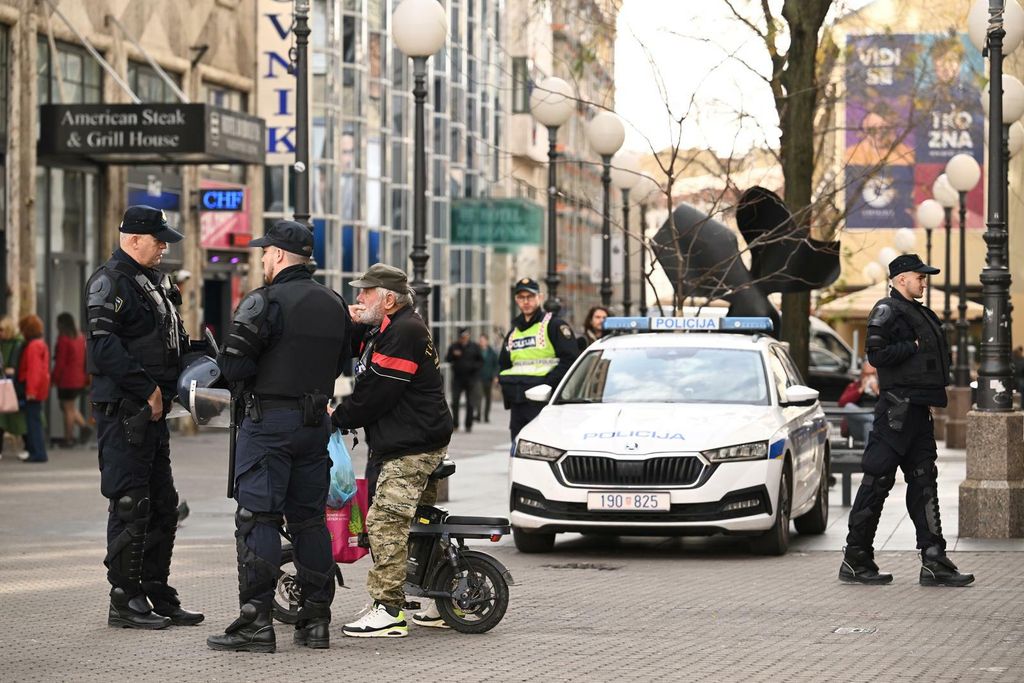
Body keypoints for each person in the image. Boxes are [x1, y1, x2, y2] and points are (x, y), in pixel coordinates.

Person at [207, 220, 350, 653]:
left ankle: (256, 623)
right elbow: (343, 362)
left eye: (266, 252)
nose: (263, 258)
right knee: (308, 521)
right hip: (314, 426)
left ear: (281, 255)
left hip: (269, 424)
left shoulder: (262, 302)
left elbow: (233, 368)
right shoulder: (334, 303)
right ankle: (316, 621)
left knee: (259, 519)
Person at [86, 205, 203, 630]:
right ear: (134, 240)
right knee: (131, 504)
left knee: (163, 507)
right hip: (126, 412)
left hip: (153, 415)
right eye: (159, 240)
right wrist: (147, 389)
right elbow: (103, 347)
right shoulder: (110, 281)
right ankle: (124, 598)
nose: (164, 247)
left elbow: (166, 343)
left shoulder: (154, 282)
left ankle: (155, 590)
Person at [329, 263, 453, 638]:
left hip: (411, 446)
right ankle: (437, 600)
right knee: (419, 523)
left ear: (387, 299)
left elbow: (376, 393)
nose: (359, 299)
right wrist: (350, 321)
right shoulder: (388, 328)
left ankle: (389, 610)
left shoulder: (403, 332)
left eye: (365, 293)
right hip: (408, 440)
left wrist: (337, 417)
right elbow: (354, 347)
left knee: (384, 522)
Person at [839, 253, 974, 587]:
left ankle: (934, 560)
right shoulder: (887, 310)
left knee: (925, 481)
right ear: (901, 279)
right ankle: (855, 558)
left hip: (919, 411)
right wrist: (911, 346)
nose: (924, 282)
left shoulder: (919, 312)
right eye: (919, 277)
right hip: (896, 411)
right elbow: (876, 355)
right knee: (877, 481)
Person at [498, 278, 579, 441]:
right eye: (521, 297)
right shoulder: (513, 332)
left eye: (530, 296)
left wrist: (548, 384)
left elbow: (570, 360)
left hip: (544, 403)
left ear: (539, 298)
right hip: (518, 403)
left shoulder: (554, 326)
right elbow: (505, 365)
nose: (526, 301)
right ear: (516, 300)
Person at [53, 312, 89, 447]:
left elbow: (61, 362)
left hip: (66, 379)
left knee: (67, 408)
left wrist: (54, 378)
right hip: (79, 378)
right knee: (69, 407)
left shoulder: (64, 339)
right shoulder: (81, 337)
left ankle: (68, 438)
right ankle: (84, 427)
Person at [17, 314, 49, 463]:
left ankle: (37, 453)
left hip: (33, 391)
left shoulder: (33, 346)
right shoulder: (40, 343)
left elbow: (34, 370)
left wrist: (30, 391)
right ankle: (38, 452)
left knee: (33, 423)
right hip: (39, 389)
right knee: (35, 421)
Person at [0, 316, 28, 460]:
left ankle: (24, 448)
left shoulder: (18, 343)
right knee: (3, 419)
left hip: (13, 386)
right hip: (5, 385)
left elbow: (13, 367)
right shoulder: (5, 343)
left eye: (2, 330)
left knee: (17, 419)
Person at [445, 327, 482, 432]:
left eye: (465, 337)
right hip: (458, 378)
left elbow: (480, 361)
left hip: (470, 379)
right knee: (455, 402)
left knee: (470, 403)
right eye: (462, 337)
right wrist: (454, 355)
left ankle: (468, 425)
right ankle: (455, 424)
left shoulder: (474, 347)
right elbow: (447, 359)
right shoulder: (454, 346)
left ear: (468, 336)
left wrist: (473, 368)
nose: (464, 339)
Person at [477, 333, 499, 423]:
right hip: (478, 378)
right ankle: (478, 415)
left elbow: (496, 365)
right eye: (480, 340)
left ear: (487, 341)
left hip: (488, 378)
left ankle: (486, 416)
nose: (481, 342)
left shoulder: (492, 352)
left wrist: (495, 376)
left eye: (483, 340)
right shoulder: (477, 351)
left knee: (488, 398)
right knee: (478, 397)